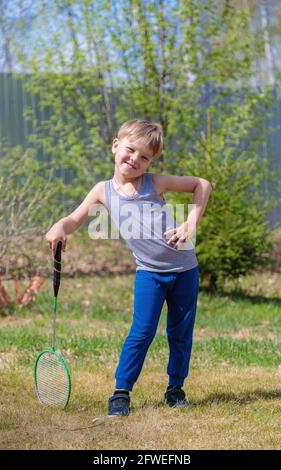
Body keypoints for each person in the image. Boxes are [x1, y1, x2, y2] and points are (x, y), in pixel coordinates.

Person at [45, 119, 212, 417]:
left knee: (180, 332)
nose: (135, 159)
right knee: (142, 331)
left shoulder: (154, 182)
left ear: (151, 162)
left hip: (186, 270)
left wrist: (190, 223)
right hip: (149, 273)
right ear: (115, 146)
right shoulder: (103, 191)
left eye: (145, 157)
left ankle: (175, 389)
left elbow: (202, 184)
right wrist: (60, 226)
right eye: (131, 150)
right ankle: (121, 392)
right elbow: (74, 220)